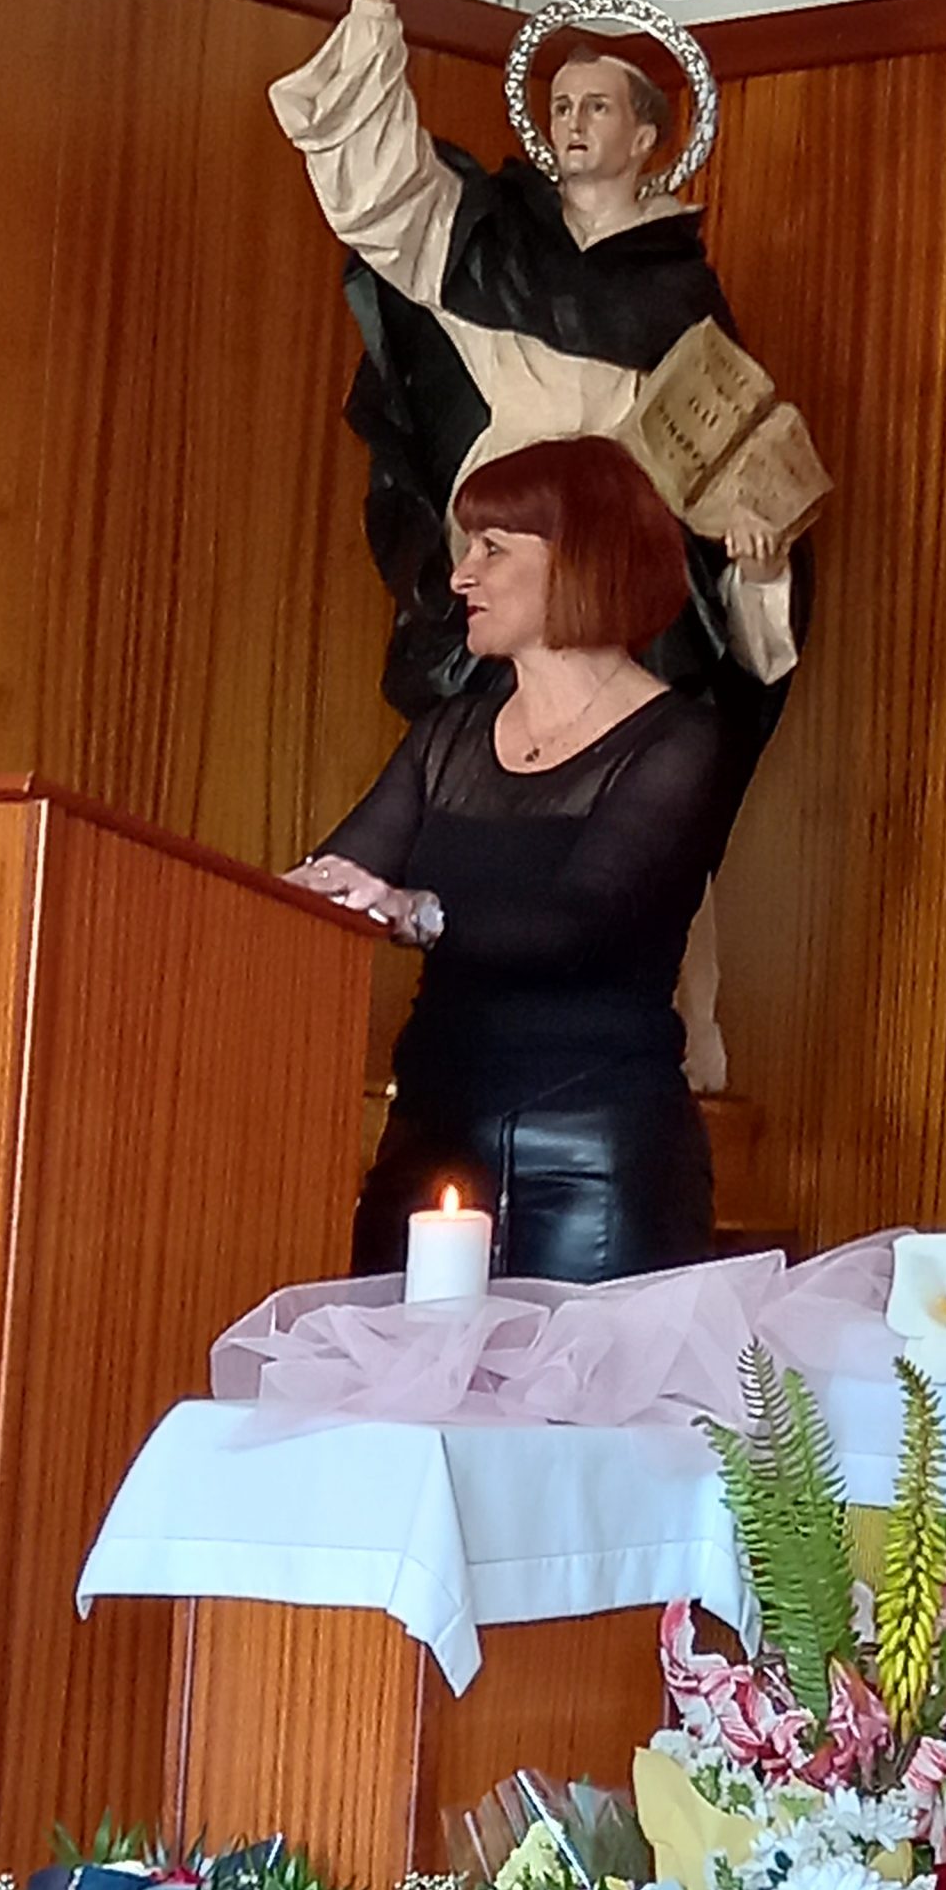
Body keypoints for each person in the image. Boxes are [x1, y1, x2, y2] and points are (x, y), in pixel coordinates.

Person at [267, 0, 803, 754]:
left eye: (598, 106)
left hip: (615, 558)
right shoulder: (498, 238)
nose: (573, 123)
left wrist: (759, 566)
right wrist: (373, 6)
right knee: (477, 751)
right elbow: (385, 198)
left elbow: (728, 463)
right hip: (504, 538)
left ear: (646, 137)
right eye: (561, 106)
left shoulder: (676, 288)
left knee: (627, 755)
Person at [285, 434, 733, 1281]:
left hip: (597, 1157)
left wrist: (416, 913)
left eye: (492, 549)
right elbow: (334, 884)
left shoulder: (680, 741)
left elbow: (582, 923)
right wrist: (287, 893)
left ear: (581, 558)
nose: (461, 577)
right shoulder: (448, 736)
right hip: (430, 1138)